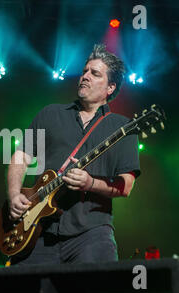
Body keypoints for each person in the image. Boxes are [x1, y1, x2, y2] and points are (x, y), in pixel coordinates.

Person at [8, 44, 140, 265]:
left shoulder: (123, 127)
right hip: (38, 231)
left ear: (110, 88)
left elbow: (125, 185)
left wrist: (90, 183)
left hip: (91, 232)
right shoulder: (50, 113)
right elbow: (21, 157)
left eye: (95, 73)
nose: (85, 76)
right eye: (85, 71)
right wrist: (14, 195)